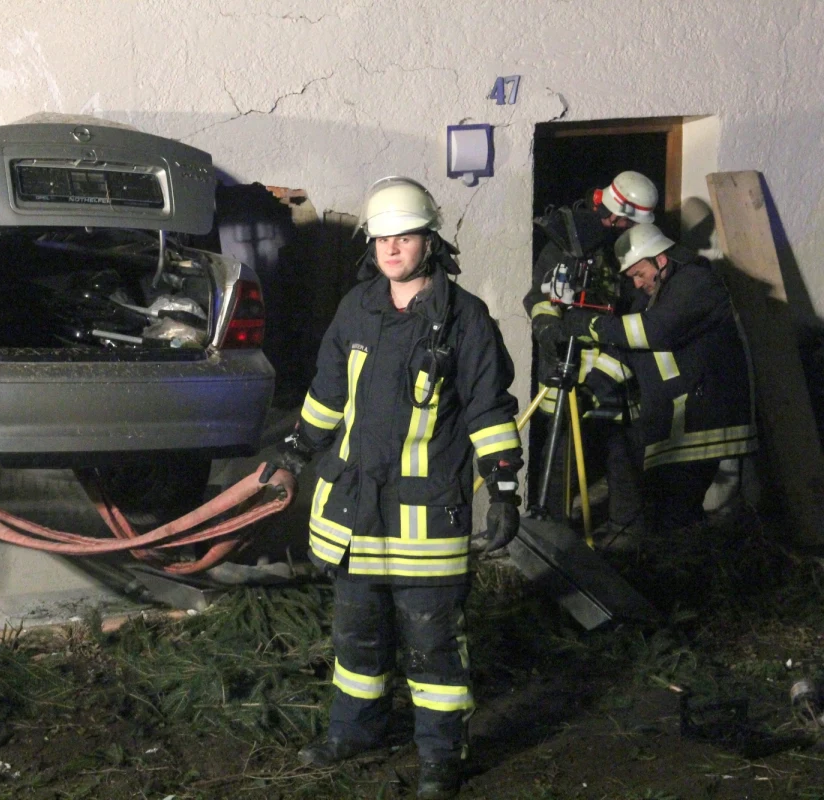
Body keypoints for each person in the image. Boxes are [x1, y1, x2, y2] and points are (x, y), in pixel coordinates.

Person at [263, 176, 522, 799]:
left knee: (433, 647)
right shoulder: (357, 309)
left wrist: (504, 487)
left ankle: (441, 756)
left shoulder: (466, 320)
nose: (392, 248)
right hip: (356, 512)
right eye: (382, 238)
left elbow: (488, 410)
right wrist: (296, 452)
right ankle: (355, 732)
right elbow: (327, 393)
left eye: (404, 236)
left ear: (430, 241)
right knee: (356, 639)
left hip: (425, 519)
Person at [561, 223, 758, 532]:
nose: (637, 284)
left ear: (661, 260)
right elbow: (626, 351)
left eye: (639, 273)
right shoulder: (654, 295)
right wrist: (589, 392)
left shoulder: (696, 283)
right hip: (675, 422)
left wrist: (591, 325)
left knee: (679, 516)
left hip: (704, 423)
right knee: (666, 514)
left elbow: (656, 331)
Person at [522, 170, 659, 532]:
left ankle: (627, 533)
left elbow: (640, 314)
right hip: (564, 366)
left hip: (614, 369)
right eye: (627, 221)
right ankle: (553, 532)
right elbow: (540, 296)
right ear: (616, 212)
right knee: (558, 454)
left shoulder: (637, 250)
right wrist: (547, 327)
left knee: (623, 452)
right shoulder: (567, 241)